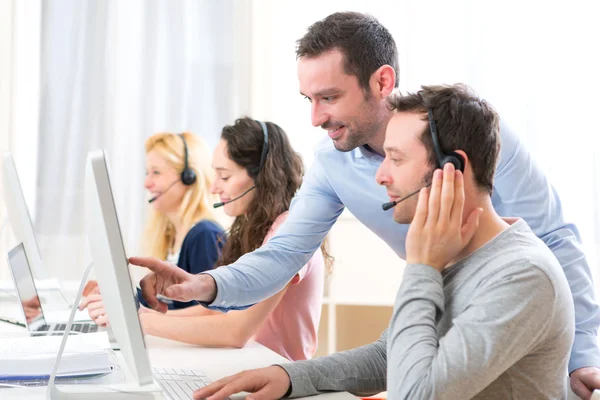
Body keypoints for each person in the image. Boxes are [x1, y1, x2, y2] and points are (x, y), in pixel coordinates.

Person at [132, 12, 600, 398]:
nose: (315, 117)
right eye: (308, 99)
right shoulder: (335, 166)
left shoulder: (477, 153)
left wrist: (583, 355)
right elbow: (283, 258)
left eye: (329, 97)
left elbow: (553, 240)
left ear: (382, 82)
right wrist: (206, 288)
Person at [191, 83, 576, 399]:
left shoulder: (521, 274)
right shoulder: (460, 255)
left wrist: (421, 266)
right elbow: (390, 356)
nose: (380, 176)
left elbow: (415, 393)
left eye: (396, 159)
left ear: (451, 170)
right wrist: (289, 377)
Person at [132, 118, 328, 361]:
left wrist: (142, 322)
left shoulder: (287, 232)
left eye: (224, 177)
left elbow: (235, 330)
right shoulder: (256, 230)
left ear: (262, 177)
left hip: (279, 376)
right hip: (252, 366)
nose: (214, 188)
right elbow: (218, 314)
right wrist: (142, 316)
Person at [80, 132, 225, 324]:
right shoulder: (172, 234)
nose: (147, 183)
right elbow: (171, 306)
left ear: (188, 177)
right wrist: (119, 297)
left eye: (156, 173)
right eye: (147, 173)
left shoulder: (204, 235)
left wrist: (138, 315)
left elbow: (210, 314)